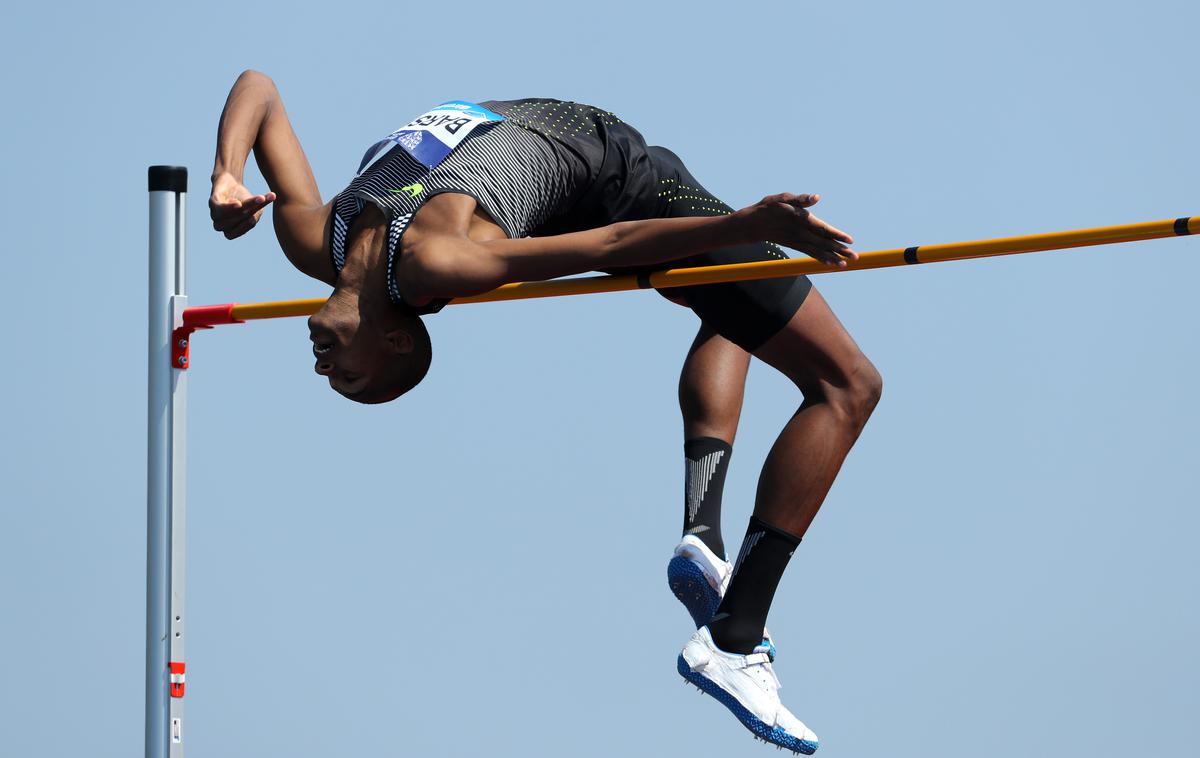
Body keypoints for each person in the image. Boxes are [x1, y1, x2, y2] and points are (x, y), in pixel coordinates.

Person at [209, 70, 882, 754]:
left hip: (576, 159)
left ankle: (703, 542)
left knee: (726, 306)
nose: (323, 367)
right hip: (623, 180)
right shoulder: (438, 263)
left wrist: (227, 177)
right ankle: (736, 640)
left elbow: (258, 88)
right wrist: (747, 223)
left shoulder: (311, 239)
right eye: (347, 377)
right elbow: (610, 246)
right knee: (848, 385)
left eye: (338, 377)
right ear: (394, 337)